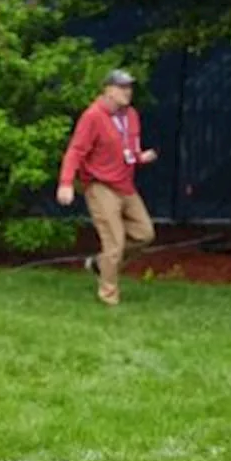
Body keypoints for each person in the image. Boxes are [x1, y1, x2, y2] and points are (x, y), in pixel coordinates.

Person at [57, 69, 159, 306]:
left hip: (125, 184)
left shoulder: (131, 115)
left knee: (145, 233)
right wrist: (65, 183)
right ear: (108, 90)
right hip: (100, 185)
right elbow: (76, 151)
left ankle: (99, 264)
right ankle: (108, 296)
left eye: (130, 87)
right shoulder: (93, 116)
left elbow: (129, 145)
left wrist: (139, 157)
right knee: (115, 242)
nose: (128, 92)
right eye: (122, 87)